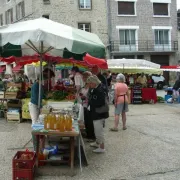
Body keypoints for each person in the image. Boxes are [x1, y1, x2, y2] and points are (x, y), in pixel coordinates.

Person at [86, 75, 109, 153]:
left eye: (89, 84)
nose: (89, 85)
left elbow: (100, 102)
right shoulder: (96, 88)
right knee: (96, 129)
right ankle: (97, 143)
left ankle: (102, 148)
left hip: (99, 113)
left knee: (99, 130)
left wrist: (90, 103)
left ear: (93, 83)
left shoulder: (99, 90)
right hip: (96, 112)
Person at [80, 71, 95, 141]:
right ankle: (88, 134)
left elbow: (92, 96)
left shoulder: (91, 86)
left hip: (90, 106)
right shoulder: (85, 85)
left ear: (87, 77)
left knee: (90, 121)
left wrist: (85, 98)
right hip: (85, 105)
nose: (82, 78)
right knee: (86, 120)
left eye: (83, 77)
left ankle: (91, 136)